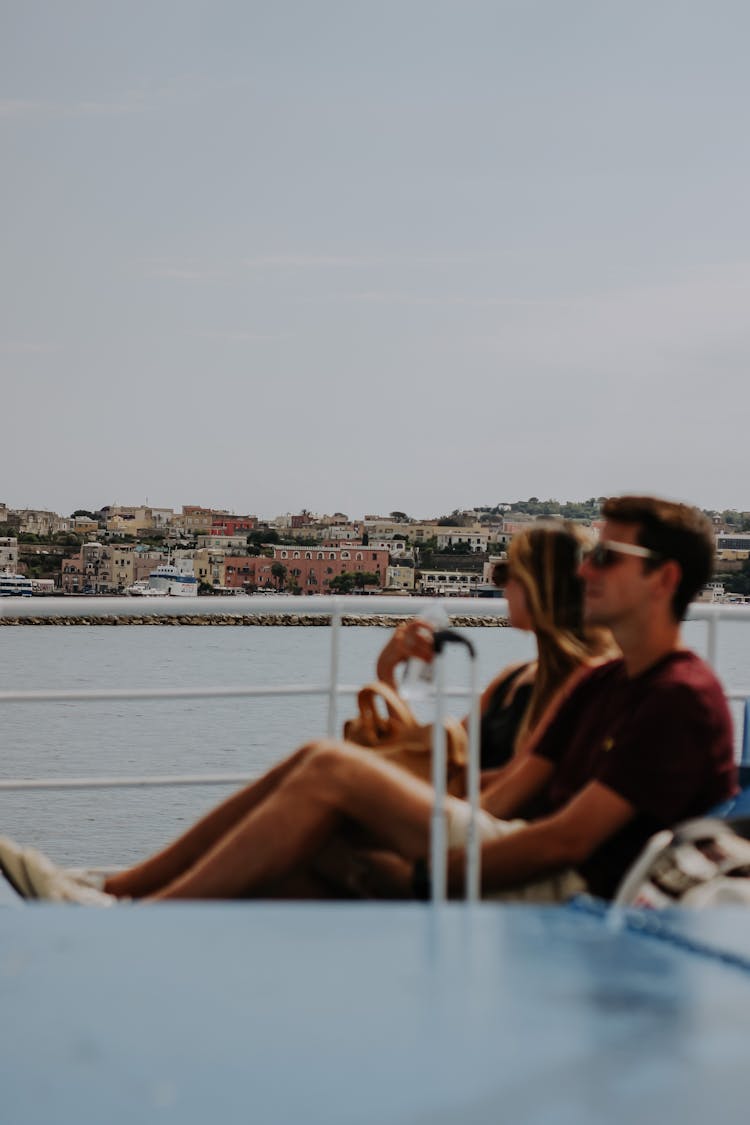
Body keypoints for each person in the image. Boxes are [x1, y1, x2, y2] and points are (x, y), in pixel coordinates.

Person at [104, 496, 737, 903]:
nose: (584, 570)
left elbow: (564, 845)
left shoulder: (678, 699)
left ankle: (135, 914)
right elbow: (501, 792)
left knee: (326, 766)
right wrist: (387, 823)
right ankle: (122, 896)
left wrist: (416, 876)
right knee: (310, 850)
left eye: (605, 556)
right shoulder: (604, 684)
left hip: (573, 889)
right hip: (520, 849)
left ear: (665, 578)